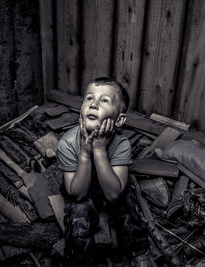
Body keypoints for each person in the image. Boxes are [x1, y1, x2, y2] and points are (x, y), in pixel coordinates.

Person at [57, 77, 156, 266]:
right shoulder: (67, 143)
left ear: (119, 120)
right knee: (78, 212)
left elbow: (113, 195)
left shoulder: (121, 144)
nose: (93, 104)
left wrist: (100, 150)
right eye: (89, 98)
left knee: (126, 200)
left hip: (108, 189)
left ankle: (138, 252)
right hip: (80, 188)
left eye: (104, 100)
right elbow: (77, 194)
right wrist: (85, 154)